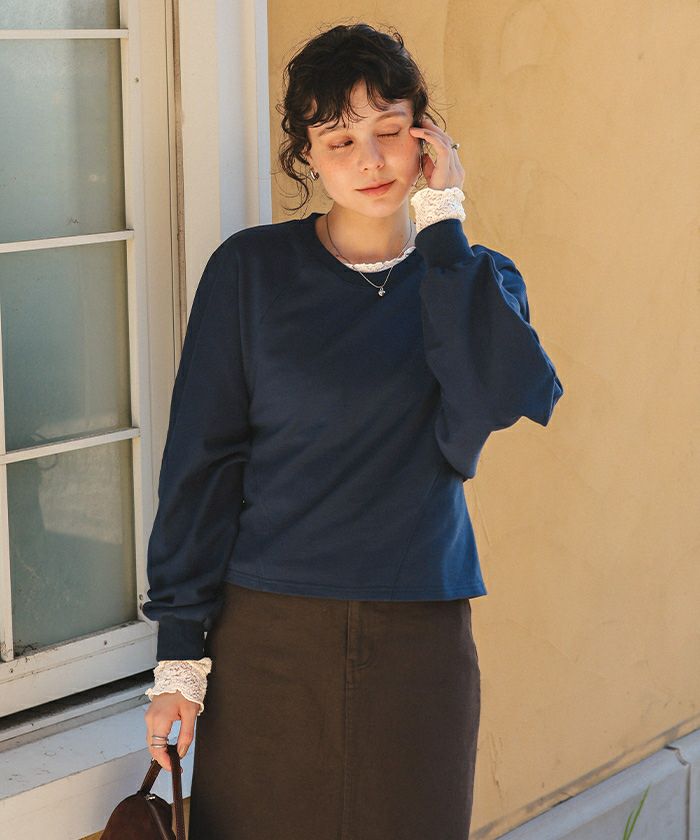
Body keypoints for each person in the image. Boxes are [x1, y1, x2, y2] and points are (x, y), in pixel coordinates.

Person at [141, 22, 564, 840]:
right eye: (339, 140)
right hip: (267, 633)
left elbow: (501, 396)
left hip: (419, 636)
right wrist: (179, 659)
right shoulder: (250, 272)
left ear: (427, 137)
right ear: (306, 154)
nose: (370, 161)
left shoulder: (474, 277)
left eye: (389, 131)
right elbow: (202, 461)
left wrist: (444, 225)